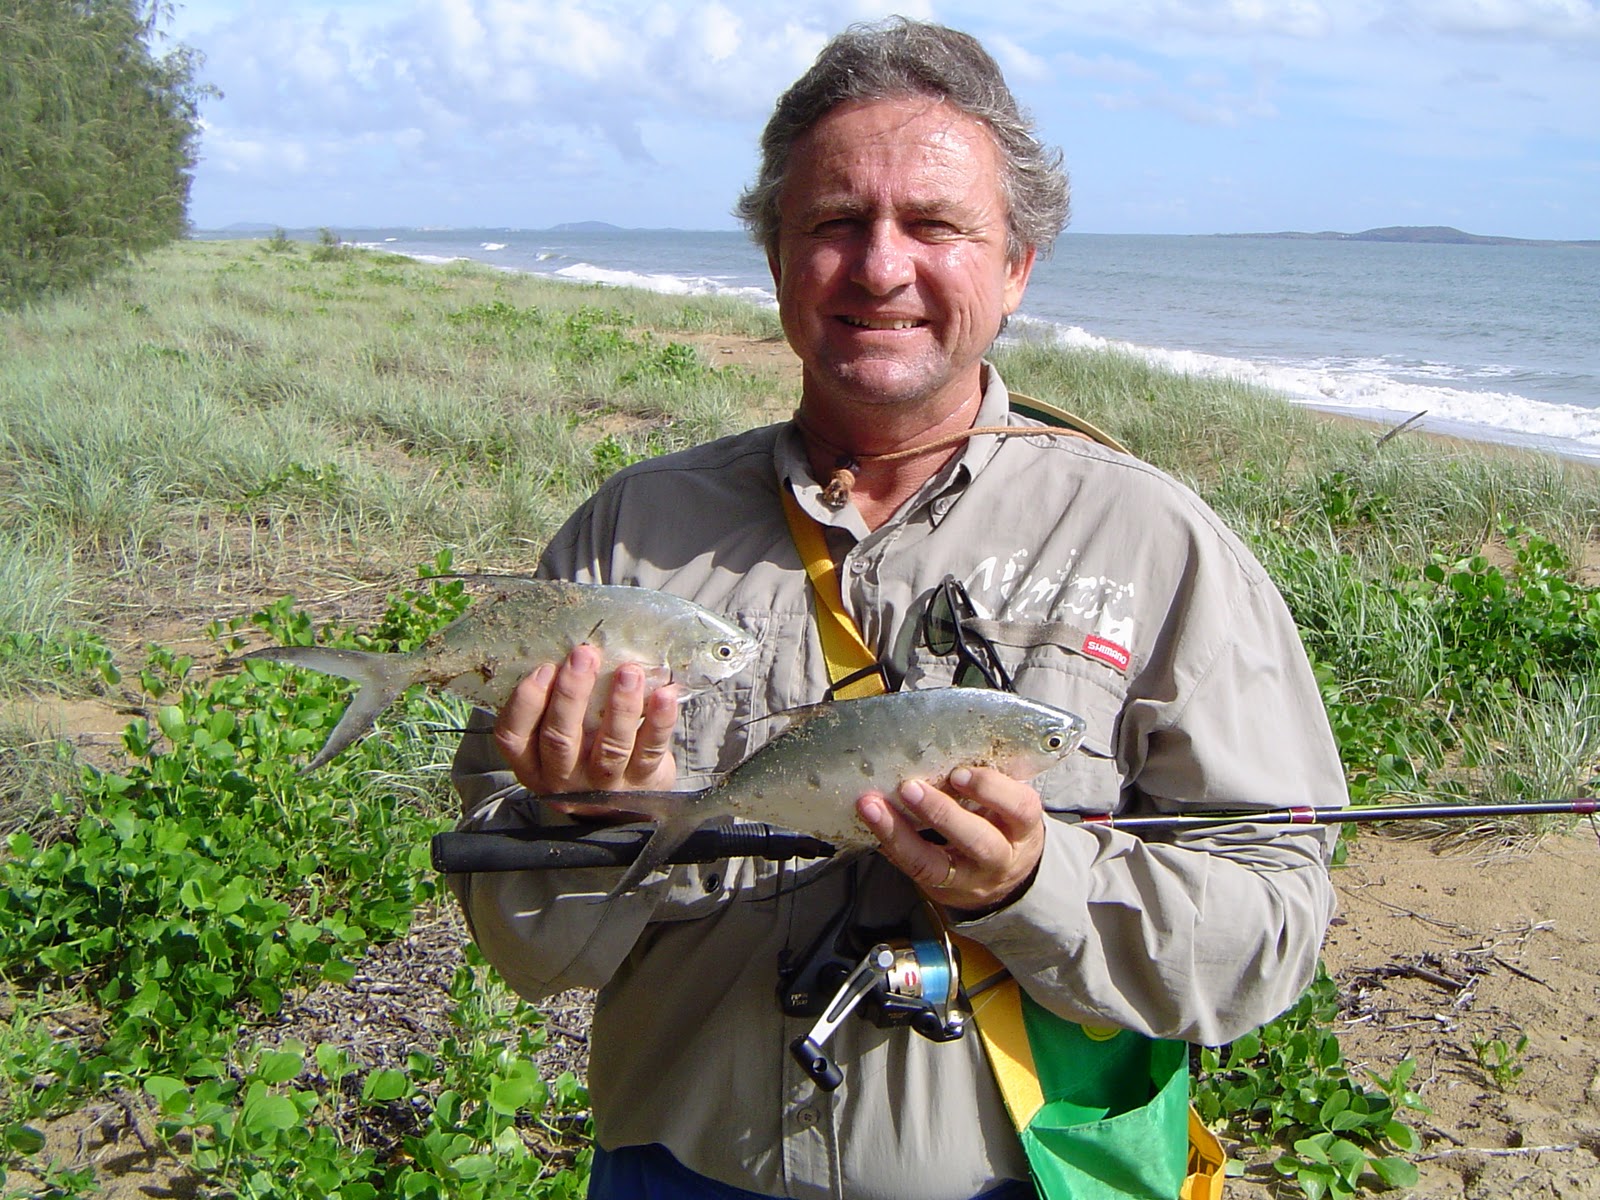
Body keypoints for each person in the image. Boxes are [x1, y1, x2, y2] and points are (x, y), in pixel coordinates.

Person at [450, 17, 1347, 1200]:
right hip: (675, 1171)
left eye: (935, 225)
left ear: (1016, 265)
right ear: (775, 258)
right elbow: (531, 948)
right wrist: (574, 823)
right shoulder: (629, 538)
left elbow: (1274, 921)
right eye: (832, 223)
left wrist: (1038, 889)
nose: (880, 268)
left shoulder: (1154, 539)